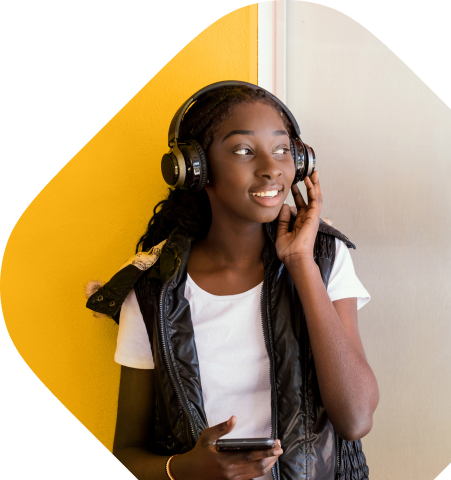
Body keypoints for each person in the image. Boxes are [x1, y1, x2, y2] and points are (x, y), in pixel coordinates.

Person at [86, 82, 379, 480]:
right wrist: (185, 468)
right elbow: (128, 453)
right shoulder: (152, 290)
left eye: (281, 150)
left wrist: (300, 264)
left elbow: (356, 418)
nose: (272, 167)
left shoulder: (325, 258)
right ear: (196, 169)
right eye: (244, 150)